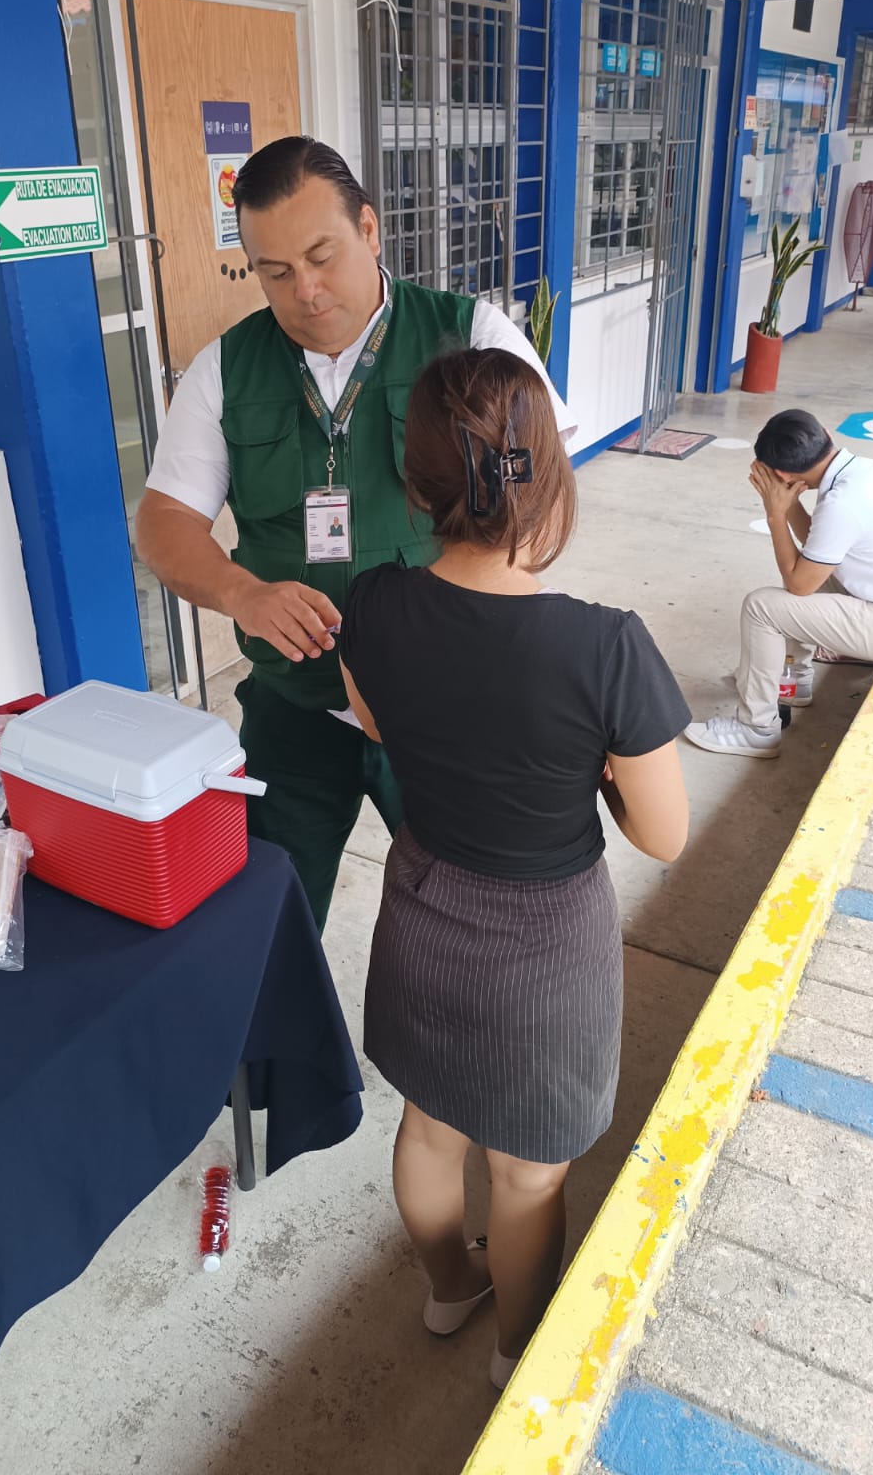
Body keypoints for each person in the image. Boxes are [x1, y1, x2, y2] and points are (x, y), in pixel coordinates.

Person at [338, 348, 689, 1391]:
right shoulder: (605, 648)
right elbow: (665, 835)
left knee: (430, 1128)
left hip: (421, 909)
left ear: (418, 485)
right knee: (529, 1177)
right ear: (549, 475)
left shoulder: (371, 604)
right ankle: (512, 1357)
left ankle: (450, 1288)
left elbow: (378, 725)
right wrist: (598, 775)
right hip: (545, 948)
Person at [136, 137, 575, 930]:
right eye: (275, 271)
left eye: (321, 256)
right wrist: (242, 593)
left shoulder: (468, 335)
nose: (305, 291)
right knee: (272, 915)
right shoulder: (227, 369)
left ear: (369, 229)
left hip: (444, 702)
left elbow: (538, 488)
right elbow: (165, 524)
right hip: (295, 701)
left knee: (472, 908)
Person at [685, 409, 873, 759]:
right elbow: (819, 547)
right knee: (811, 573)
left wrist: (775, 514)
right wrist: (790, 504)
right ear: (827, 434)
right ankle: (794, 680)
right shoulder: (862, 472)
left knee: (762, 607)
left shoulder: (843, 502)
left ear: (782, 474)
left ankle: (757, 728)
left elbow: (799, 584)